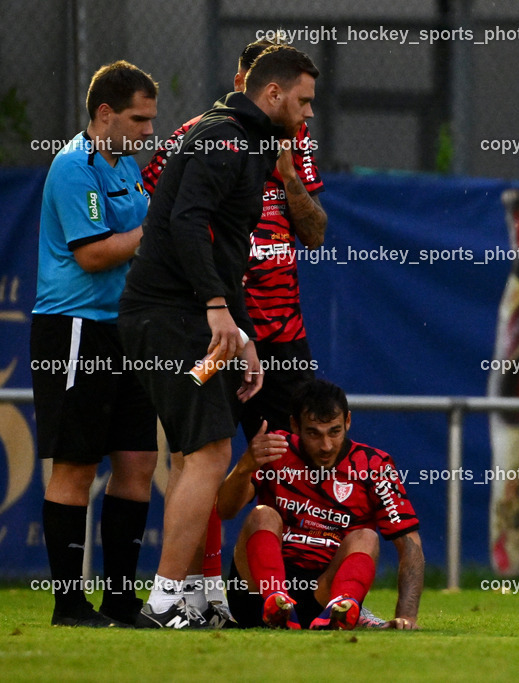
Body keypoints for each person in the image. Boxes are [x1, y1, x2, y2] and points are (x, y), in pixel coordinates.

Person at [118, 45, 319, 629]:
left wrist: (245, 333)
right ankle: (164, 602)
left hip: (200, 320)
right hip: (173, 318)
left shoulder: (253, 143)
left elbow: (229, 251)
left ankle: (196, 596)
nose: (308, 115)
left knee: (200, 454)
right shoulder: (221, 136)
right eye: (303, 101)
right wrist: (214, 307)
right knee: (207, 453)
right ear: (273, 93)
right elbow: (184, 220)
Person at [31, 60, 159, 627]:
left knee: (138, 459)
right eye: (139, 118)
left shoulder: (126, 163)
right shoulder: (72, 166)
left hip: (126, 327)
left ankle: (121, 600)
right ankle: (68, 604)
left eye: (152, 120)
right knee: (76, 464)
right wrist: (156, 231)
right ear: (104, 114)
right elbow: (95, 253)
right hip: (76, 328)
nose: (148, 131)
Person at [217, 379, 424, 630]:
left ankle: (341, 607)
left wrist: (407, 616)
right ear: (295, 425)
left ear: (347, 421)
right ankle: (277, 600)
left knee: (367, 537)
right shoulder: (276, 449)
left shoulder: (374, 467)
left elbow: (410, 545)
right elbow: (225, 510)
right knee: (262, 515)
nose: (326, 446)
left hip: (320, 595)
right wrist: (244, 466)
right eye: (314, 433)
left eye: (334, 432)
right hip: (256, 597)